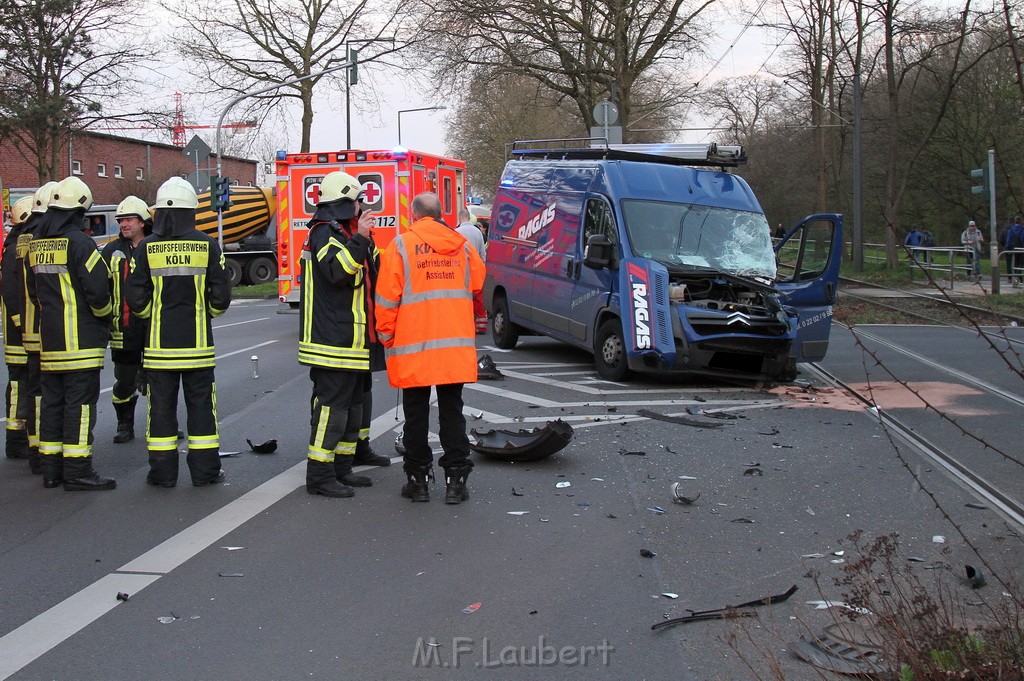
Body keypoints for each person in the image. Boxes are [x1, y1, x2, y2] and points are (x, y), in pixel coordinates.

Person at [376, 192, 485, 504]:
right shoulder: (462, 245)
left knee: (415, 416)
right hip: (453, 346)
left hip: (414, 346)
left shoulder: (400, 245)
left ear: (414, 215)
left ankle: (418, 481)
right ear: (440, 214)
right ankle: (456, 483)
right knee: (453, 413)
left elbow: (386, 298)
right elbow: (477, 283)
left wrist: (386, 336)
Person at [125, 177, 231, 487]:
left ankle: (162, 474)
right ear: (191, 211)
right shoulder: (208, 245)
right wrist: (203, 314)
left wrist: (153, 316)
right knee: (202, 412)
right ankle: (206, 472)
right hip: (198, 348)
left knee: (160, 411)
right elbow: (221, 298)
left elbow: (135, 298)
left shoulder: (145, 248)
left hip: (159, 350)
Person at [24, 176, 115, 490]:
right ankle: (77, 471)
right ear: (78, 210)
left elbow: (33, 292)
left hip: (50, 343)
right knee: (80, 406)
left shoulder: (36, 244)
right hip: (81, 343)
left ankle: (51, 471)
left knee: (52, 405)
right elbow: (99, 293)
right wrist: (105, 319)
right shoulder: (80, 243)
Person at [298, 171, 381, 497]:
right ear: (345, 203)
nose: (361, 207)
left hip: (354, 340)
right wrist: (360, 237)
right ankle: (319, 475)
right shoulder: (323, 234)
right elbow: (337, 272)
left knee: (352, 407)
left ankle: (342, 468)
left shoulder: (342, 232)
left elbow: (372, 274)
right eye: (357, 201)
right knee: (332, 409)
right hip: (332, 341)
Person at [14, 182, 58, 476]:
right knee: (46, 393)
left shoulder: (21, 241)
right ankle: (44, 453)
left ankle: (37, 450)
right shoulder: (41, 239)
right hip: (47, 330)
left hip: (31, 329)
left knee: (35, 391)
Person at [101, 196, 152, 443]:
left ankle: (162, 425)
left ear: (143, 222)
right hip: (124, 328)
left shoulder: (155, 246)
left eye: (129, 219)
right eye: (121, 220)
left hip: (154, 327)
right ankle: (124, 425)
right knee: (124, 382)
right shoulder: (111, 251)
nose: (124, 224)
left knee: (159, 381)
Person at [1, 197, 35, 462]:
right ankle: (15, 440)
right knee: (19, 385)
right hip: (18, 334)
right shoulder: (15, 248)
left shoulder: (14, 244)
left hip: (20, 331)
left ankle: (20, 438)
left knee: (21, 384)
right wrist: (20, 323)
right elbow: (13, 292)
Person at [456, 208, 488, 334]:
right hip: (477, 269)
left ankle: (467, 325)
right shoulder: (478, 232)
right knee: (478, 298)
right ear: (469, 218)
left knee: (464, 299)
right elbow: (482, 253)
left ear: (460, 218)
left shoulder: (456, 232)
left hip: (462, 270)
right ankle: (481, 326)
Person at [1004, 215, 1024, 287]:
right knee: (1021, 262)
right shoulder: (1022, 229)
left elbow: (1008, 241)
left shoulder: (1011, 230)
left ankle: (1016, 276)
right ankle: (1020, 276)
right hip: (1022, 248)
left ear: (1014, 222)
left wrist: (1008, 248)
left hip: (1014, 248)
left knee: (1015, 262)